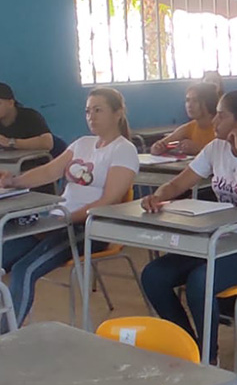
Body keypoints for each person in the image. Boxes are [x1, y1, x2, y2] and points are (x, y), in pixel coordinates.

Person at [140, 91, 237, 365]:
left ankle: (208, 358)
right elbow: (177, 184)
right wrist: (158, 196)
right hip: (222, 240)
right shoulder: (214, 149)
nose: (214, 121)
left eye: (222, 115)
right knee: (153, 275)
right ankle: (189, 346)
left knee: (200, 280)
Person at [0, 87, 138, 331]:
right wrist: (14, 181)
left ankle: (5, 337)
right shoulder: (82, 143)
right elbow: (49, 170)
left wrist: (61, 221)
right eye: (87, 111)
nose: (91, 117)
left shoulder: (124, 150)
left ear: (118, 113)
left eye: (98, 110)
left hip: (90, 227)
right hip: (58, 220)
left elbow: (107, 202)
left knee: (25, 269)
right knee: (5, 253)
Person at [150, 83, 218, 156]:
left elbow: (226, 154)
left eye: (195, 101)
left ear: (209, 103)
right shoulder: (189, 127)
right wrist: (158, 147)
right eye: (188, 100)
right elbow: (159, 146)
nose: (190, 105)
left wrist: (199, 148)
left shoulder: (221, 127)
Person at [0, 82, 54, 151]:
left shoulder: (30, 116)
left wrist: (10, 142)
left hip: (36, 160)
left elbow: (48, 143)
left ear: (11, 103)